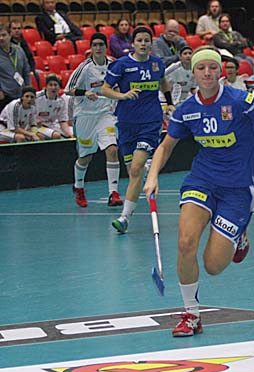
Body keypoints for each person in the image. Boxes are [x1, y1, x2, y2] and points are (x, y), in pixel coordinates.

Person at [143, 46, 254, 337]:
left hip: (238, 188)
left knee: (213, 265)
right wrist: (152, 175)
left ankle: (238, 236)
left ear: (220, 71)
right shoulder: (187, 110)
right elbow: (166, 146)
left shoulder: (240, 100)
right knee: (186, 243)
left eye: (212, 67)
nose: (207, 73)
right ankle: (191, 315)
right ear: (193, 72)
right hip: (202, 180)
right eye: (201, 68)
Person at [100, 27, 175, 232]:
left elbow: (163, 82)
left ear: (151, 43)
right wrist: (123, 96)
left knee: (135, 169)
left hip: (150, 123)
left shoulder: (157, 63)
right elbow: (104, 89)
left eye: (146, 40)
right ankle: (149, 167)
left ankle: (124, 218)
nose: (143, 44)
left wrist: (169, 103)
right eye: (139, 40)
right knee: (133, 172)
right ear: (133, 43)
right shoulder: (121, 65)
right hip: (126, 124)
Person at [65, 32, 123, 208]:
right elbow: (68, 89)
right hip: (85, 116)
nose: (98, 48)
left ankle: (113, 193)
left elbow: (118, 84)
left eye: (101, 45)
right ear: (91, 48)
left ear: (106, 47)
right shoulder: (84, 68)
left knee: (112, 149)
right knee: (86, 156)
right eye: (95, 45)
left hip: (105, 114)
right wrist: (85, 92)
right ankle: (79, 187)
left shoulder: (113, 64)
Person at [0, 23, 32, 112]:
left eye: (4, 35)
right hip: (5, 95)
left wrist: (29, 87)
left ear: (10, 35)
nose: (1, 38)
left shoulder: (19, 50)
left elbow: (26, 70)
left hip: (20, 93)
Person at [35, 73, 73, 140]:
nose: (53, 87)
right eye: (50, 85)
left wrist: (69, 134)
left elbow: (62, 121)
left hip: (52, 125)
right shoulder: (36, 97)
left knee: (73, 133)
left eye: (55, 85)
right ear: (46, 87)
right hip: (36, 126)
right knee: (56, 135)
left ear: (59, 88)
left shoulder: (61, 101)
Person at [9, 20, 37, 88]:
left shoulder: (23, 43)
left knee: (37, 73)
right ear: (10, 30)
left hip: (25, 70)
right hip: (12, 72)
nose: (17, 31)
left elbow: (30, 58)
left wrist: (32, 70)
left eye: (19, 28)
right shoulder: (7, 44)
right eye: (14, 28)